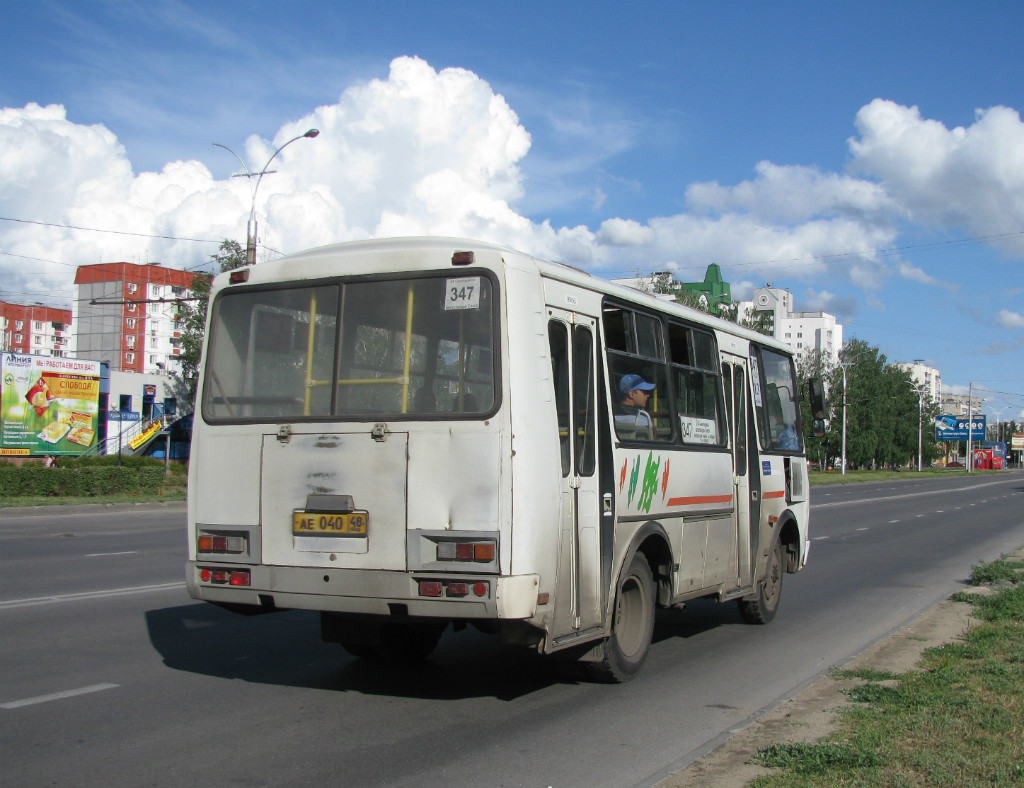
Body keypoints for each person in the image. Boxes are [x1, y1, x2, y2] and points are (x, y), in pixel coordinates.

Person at [615, 373, 656, 439]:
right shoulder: (644, 420)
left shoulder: (612, 417)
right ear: (631, 394)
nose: (647, 395)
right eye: (644, 392)